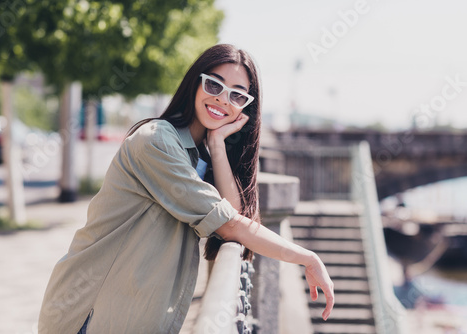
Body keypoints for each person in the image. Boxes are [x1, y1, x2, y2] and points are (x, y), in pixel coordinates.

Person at [38, 44, 334, 334]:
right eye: (214, 85)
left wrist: (217, 145)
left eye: (237, 96)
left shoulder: (200, 155)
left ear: (246, 107)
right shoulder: (157, 141)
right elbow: (229, 224)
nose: (222, 100)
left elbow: (232, 215)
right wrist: (306, 257)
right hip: (92, 314)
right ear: (195, 83)